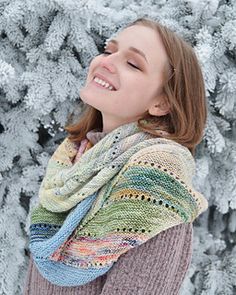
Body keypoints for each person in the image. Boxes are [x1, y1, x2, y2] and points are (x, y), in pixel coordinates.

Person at [23, 17, 208, 294]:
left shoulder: (155, 188)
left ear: (162, 103)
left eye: (133, 63)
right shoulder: (72, 167)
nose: (106, 62)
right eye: (109, 51)